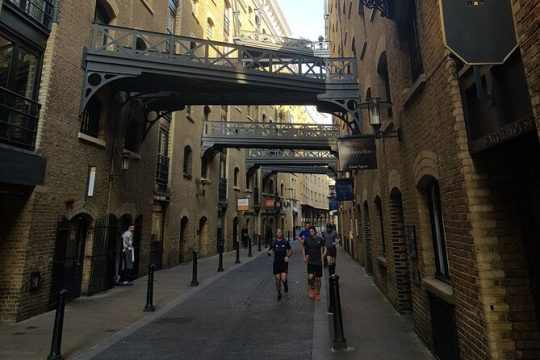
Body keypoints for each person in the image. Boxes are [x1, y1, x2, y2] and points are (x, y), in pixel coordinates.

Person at [302, 226, 326, 301]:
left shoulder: (320, 239)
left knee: (318, 279)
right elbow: (303, 248)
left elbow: (325, 247)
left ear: (315, 231)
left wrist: (323, 255)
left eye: (312, 231)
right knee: (310, 277)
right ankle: (312, 287)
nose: (311, 233)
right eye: (310, 232)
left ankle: (318, 293)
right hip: (310, 262)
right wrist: (304, 257)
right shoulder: (307, 240)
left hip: (318, 261)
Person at [268, 228, 293, 301]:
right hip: (276, 263)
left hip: (284, 263)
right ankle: (279, 293)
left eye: (280, 232)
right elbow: (269, 252)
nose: (279, 233)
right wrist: (269, 253)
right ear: (276, 233)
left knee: (283, 279)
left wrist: (287, 256)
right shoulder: (273, 242)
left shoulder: (285, 242)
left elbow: (291, 251)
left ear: (282, 233)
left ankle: (285, 284)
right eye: (278, 232)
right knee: (278, 279)